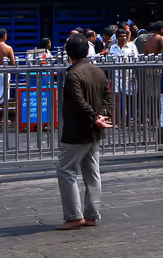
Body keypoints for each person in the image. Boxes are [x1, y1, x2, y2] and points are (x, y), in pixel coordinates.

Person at [56, 33, 113, 230]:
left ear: (68, 53)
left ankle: (73, 216)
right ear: (88, 51)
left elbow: (78, 102)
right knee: (92, 172)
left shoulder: (73, 74)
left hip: (77, 130)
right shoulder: (98, 72)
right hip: (94, 130)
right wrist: (101, 115)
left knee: (65, 170)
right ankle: (91, 215)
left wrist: (94, 117)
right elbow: (108, 96)